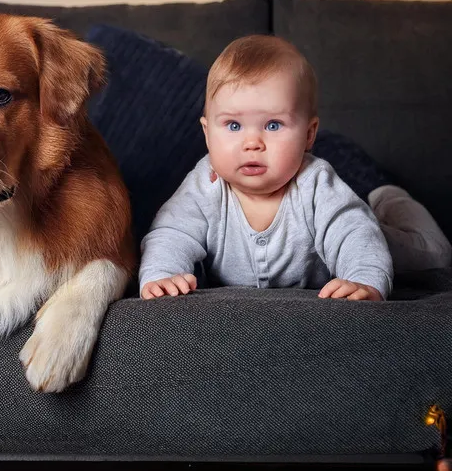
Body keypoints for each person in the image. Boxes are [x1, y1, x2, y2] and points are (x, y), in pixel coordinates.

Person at [139, 35, 394, 301]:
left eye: (273, 125)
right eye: (234, 126)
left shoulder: (315, 182)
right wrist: (162, 275)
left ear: (309, 134)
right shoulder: (206, 184)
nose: (252, 143)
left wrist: (364, 280)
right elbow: (171, 234)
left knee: (420, 250)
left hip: (390, 239)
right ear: (207, 133)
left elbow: (353, 232)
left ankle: (393, 202)